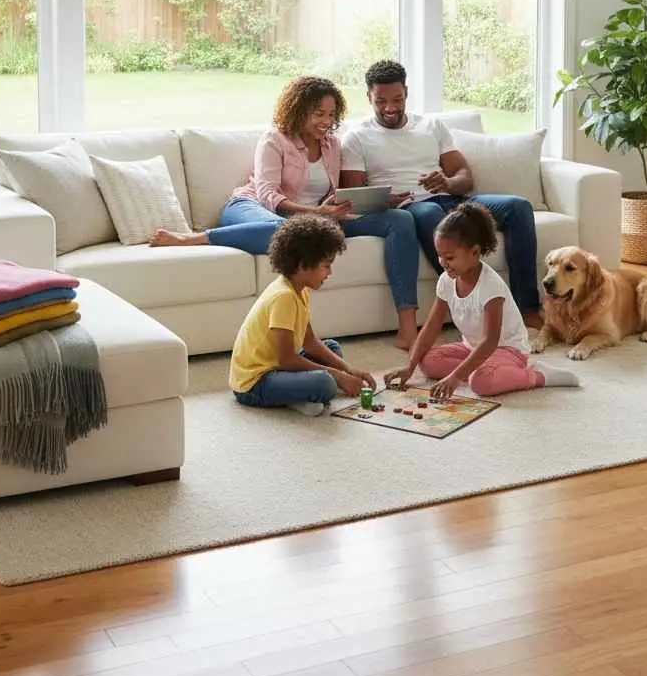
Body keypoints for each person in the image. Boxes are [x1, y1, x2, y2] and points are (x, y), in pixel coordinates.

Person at [151, 75, 421, 348]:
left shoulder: (332, 144)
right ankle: (192, 238)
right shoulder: (274, 139)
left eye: (331, 114)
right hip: (253, 207)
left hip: (315, 219)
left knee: (400, 219)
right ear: (299, 110)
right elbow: (268, 195)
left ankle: (407, 327)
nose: (326, 121)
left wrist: (361, 203)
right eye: (319, 114)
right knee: (284, 232)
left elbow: (332, 191)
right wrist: (315, 214)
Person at [340, 59, 543, 323]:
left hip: (452, 200)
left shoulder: (431, 127)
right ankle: (471, 305)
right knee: (429, 212)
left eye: (397, 99)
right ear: (369, 97)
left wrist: (447, 183)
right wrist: (387, 200)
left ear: (406, 93)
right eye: (381, 101)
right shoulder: (357, 137)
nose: (390, 107)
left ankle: (526, 308)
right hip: (411, 207)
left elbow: (464, 177)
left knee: (518, 207)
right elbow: (355, 194)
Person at [384, 203, 578, 398]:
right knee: (428, 361)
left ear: (475, 252)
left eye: (449, 257)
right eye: (439, 255)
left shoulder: (490, 286)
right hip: (472, 347)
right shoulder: (446, 281)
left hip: (506, 349)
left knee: (480, 383)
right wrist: (409, 367)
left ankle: (538, 375)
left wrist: (456, 376)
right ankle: (482, 369)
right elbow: (432, 326)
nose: (443, 263)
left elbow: (490, 341)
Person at [230, 214, 376, 416]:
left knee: (332, 347)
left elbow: (309, 341)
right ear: (301, 265)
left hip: (278, 367)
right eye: (326, 265)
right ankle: (300, 395)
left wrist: (347, 370)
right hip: (255, 382)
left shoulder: (300, 290)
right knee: (325, 383)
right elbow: (287, 359)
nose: (330, 272)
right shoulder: (284, 297)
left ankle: (298, 395)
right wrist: (337, 375)